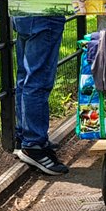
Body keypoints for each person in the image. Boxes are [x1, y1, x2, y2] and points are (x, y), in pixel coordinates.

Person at [13, 14, 69, 175]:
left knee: (25, 79)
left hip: (24, 12)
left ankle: (24, 137)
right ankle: (34, 145)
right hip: (45, 16)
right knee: (38, 82)